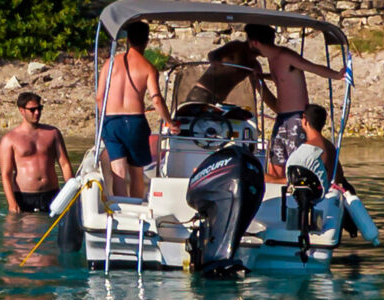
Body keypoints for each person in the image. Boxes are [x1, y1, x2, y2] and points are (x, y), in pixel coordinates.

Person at [243, 22, 335, 176]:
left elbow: (313, 67)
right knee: (275, 162)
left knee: (295, 165)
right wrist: (261, 77)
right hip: (281, 119)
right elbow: (281, 77)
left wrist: (338, 75)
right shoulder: (272, 59)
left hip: (296, 119)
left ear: (255, 43)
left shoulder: (285, 56)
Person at [95, 19, 170, 199]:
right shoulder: (148, 68)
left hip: (112, 120)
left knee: (118, 172)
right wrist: (170, 122)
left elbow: (99, 97)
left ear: (127, 39)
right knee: (136, 172)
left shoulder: (110, 63)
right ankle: (136, 206)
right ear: (146, 41)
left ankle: (122, 207)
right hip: (135, 121)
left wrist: (105, 120)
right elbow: (157, 100)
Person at [0, 91, 72, 213]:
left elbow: (64, 164)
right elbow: (6, 174)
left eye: (39, 109)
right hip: (24, 197)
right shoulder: (10, 139)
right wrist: (12, 203)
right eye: (32, 110)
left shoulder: (53, 133)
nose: (37, 113)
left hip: (52, 194)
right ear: (21, 110)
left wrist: (71, 191)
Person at [173, 40, 275, 115]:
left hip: (217, 100)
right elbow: (213, 54)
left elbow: (262, 89)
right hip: (201, 94)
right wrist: (216, 63)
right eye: (268, 44)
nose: (271, 48)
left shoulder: (254, 65)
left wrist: (278, 111)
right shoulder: (236, 47)